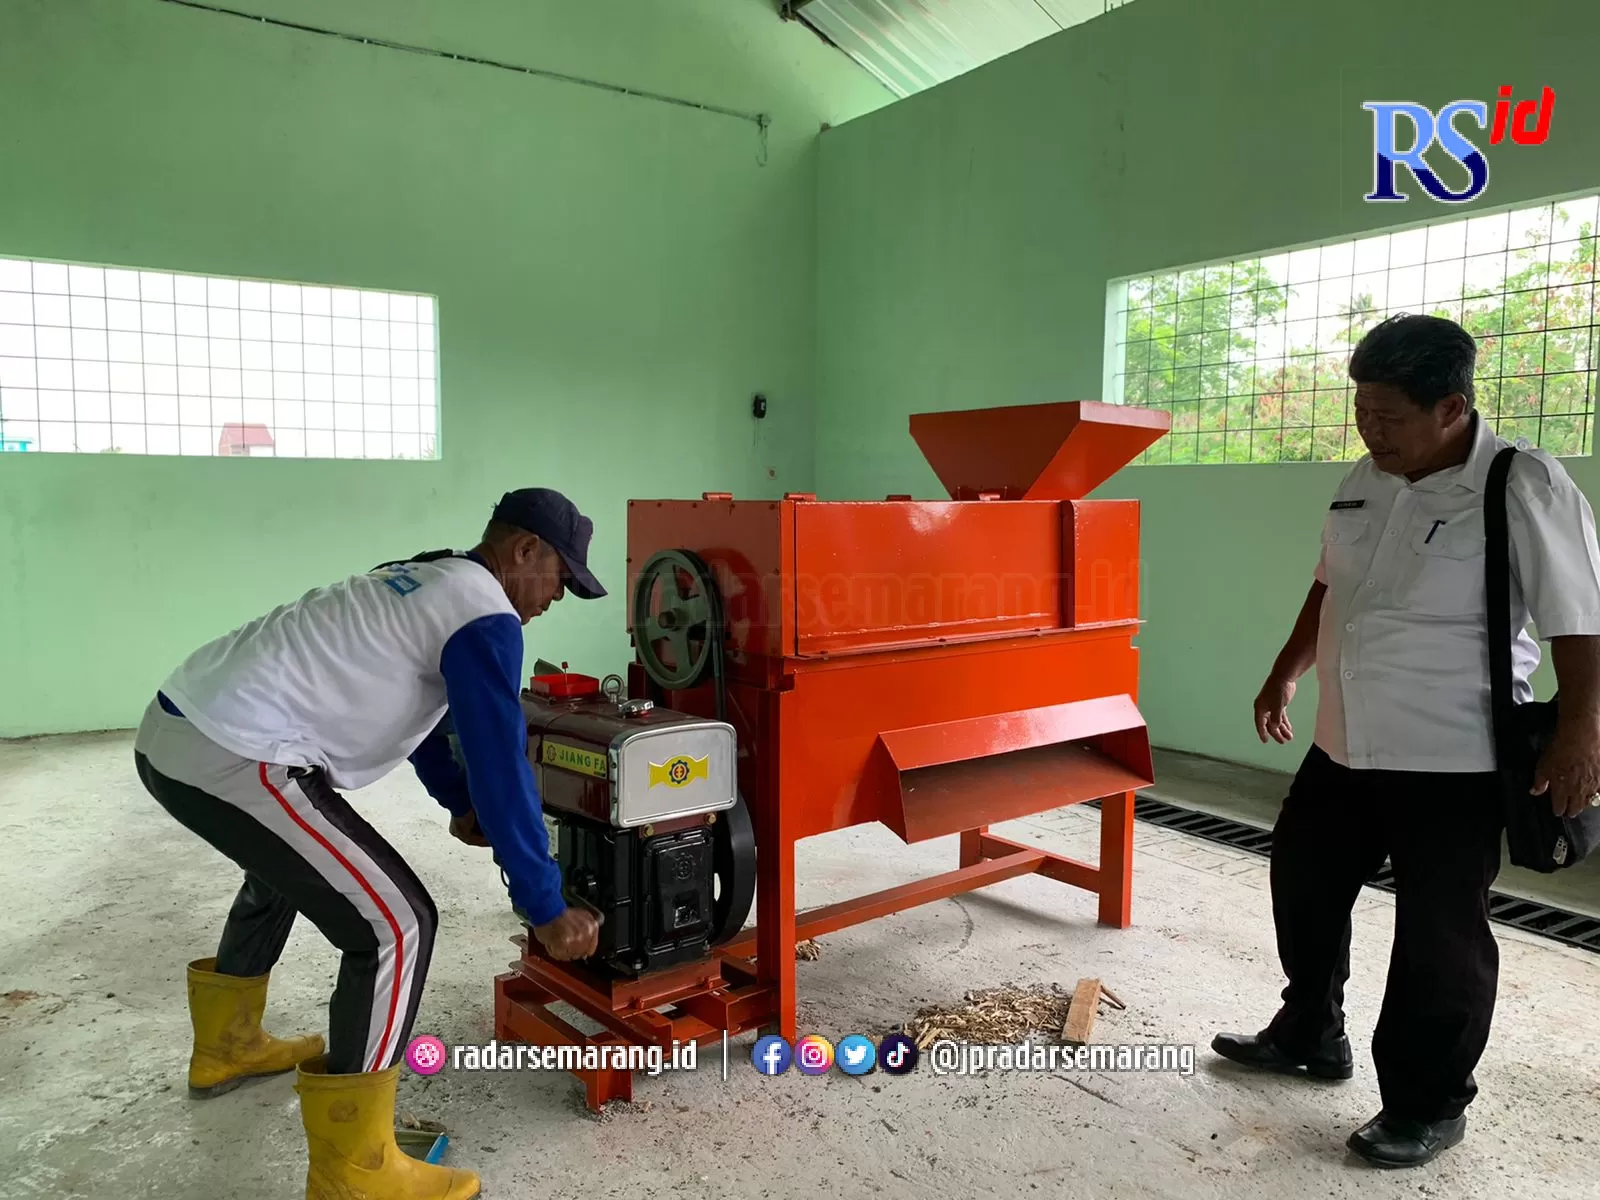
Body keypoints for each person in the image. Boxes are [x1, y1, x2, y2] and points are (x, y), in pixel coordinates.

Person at [133, 487, 606, 1200]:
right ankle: (354, 1170)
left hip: (178, 728)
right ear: (524, 551)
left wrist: (457, 802)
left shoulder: (423, 576)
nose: (555, 597)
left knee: (288, 866)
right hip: (233, 749)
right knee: (398, 923)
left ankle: (226, 1046)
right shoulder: (485, 612)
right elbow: (501, 759)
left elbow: (419, 717)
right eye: (559, 578)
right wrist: (544, 902)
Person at [1213, 314, 1600, 1167]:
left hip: (1450, 757)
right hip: (1343, 743)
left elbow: (1582, 620)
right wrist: (1285, 671)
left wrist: (1581, 733)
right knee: (1303, 882)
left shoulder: (1521, 483)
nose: (1369, 431)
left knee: (1440, 938)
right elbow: (1328, 586)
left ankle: (1428, 1103)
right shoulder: (1367, 475)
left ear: (1452, 408)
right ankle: (1310, 1032)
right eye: (1362, 412)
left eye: (1388, 416)